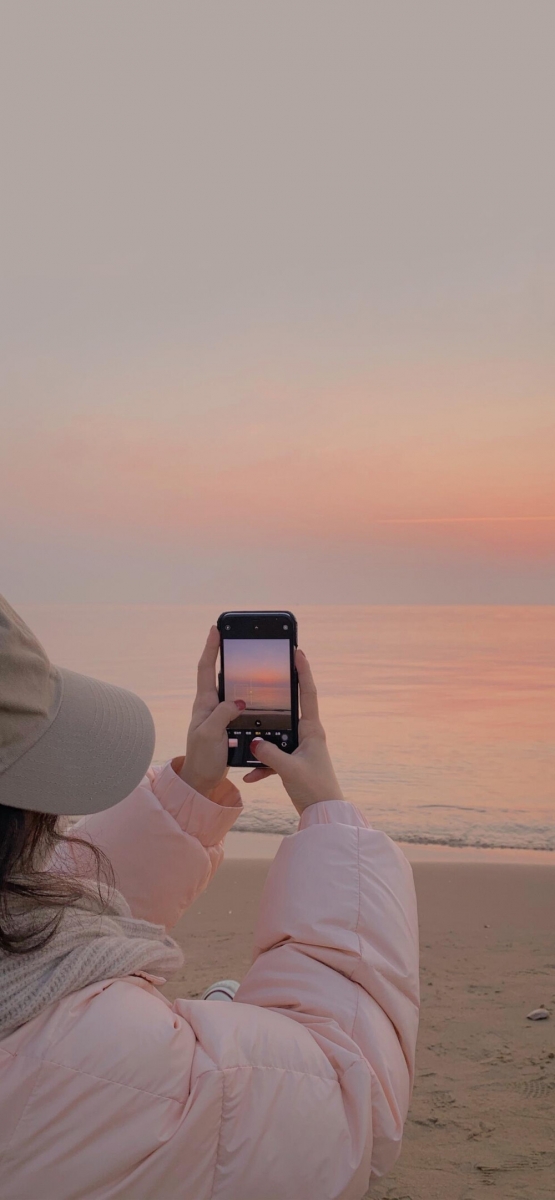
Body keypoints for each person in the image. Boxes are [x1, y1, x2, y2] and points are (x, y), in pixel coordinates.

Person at [0, 595, 419, 1200]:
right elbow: (347, 1106)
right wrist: (329, 816)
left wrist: (190, 791)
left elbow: (32, 920)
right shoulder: (92, 1056)